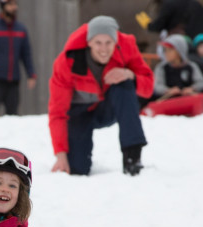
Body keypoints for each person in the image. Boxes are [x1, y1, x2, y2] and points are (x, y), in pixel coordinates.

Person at [49, 16, 154, 176]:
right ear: (89, 42)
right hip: (78, 113)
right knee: (77, 169)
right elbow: (57, 112)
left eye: (109, 43)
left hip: (108, 107)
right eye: (98, 43)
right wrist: (60, 153)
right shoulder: (66, 61)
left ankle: (132, 156)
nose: (104, 49)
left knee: (124, 83)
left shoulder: (126, 48)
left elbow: (148, 87)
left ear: (116, 42)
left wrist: (129, 74)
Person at [0, 0, 36, 116]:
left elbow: (26, 54)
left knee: (13, 116)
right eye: (11, 5)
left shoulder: (21, 29)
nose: (14, 7)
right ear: (3, 7)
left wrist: (31, 74)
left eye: (15, 4)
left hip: (14, 81)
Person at [152, 34, 203, 100]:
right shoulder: (162, 67)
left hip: (189, 101)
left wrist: (192, 88)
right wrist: (168, 90)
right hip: (167, 102)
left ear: (179, 51)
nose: (166, 53)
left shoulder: (191, 66)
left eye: (170, 50)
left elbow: (201, 82)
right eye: (165, 50)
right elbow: (157, 86)